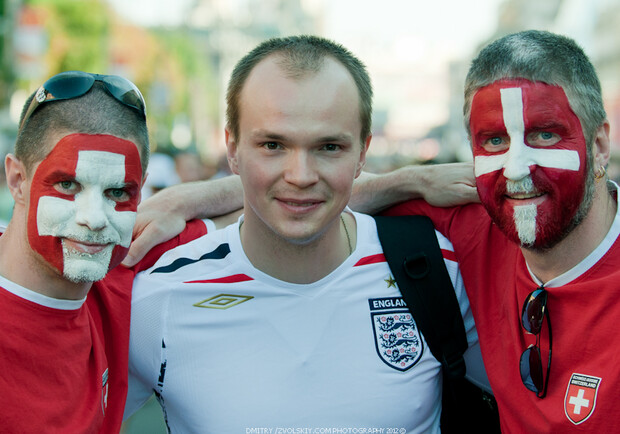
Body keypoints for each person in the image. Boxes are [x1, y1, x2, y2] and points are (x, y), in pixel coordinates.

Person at [123, 35, 487, 433]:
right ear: (232, 148)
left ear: (362, 152)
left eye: (329, 147)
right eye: (273, 145)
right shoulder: (159, 298)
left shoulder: (438, 269)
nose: (300, 176)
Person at [365, 30, 618, 432]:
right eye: (495, 140)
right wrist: (410, 180)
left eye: (544, 135)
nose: (516, 168)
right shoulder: (478, 224)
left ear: (600, 145)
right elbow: (287, 199)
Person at [0, 71, 217, 433]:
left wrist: (184, 198)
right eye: (68, 185)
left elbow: (284, 199)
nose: (95, 220)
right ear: (18, 181)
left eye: (117, 192)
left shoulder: (126, 257)